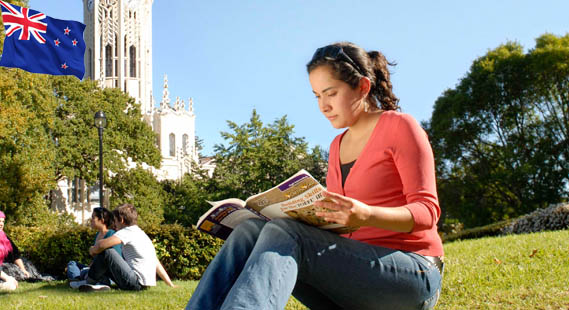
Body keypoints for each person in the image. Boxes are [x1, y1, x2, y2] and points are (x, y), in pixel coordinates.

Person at [186, 42, 444, 310]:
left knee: (286, 233)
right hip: (354, 275)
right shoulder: (336, 147)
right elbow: (340, 230)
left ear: (363, 87)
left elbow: (427, 212)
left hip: (414, 273)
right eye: (317, 96)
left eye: (331, 93)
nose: (323, 106)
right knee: (251, 230)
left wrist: (366, 214)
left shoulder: (400, 127)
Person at [72, 204, 175, 292]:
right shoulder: (141, 234)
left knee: (108, 252)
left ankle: (88, 282)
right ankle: (99, 284)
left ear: (121, 220)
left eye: (115, 221)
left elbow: (102, 246)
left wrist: (93, 249)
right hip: (143, 285)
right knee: (107, 259)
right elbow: (156, 262)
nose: (114, 224)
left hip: (134, 282)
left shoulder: (127, 232)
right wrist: (170, 284)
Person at [67, 207, 122, 282]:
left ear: (102, 220)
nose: (91, 220)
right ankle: (79, 279)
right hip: (94, 268)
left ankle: (82, 279)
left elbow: (114, 258)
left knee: (85, 272)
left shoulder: (111, 234)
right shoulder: (97, 235)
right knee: (72, 264)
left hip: (106, 271)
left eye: (93, 217)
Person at [0, 211, 30, 280]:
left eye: (3, 221)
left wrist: (23, 270)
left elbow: (15, 255)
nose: (1, 224)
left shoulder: (5, 238)